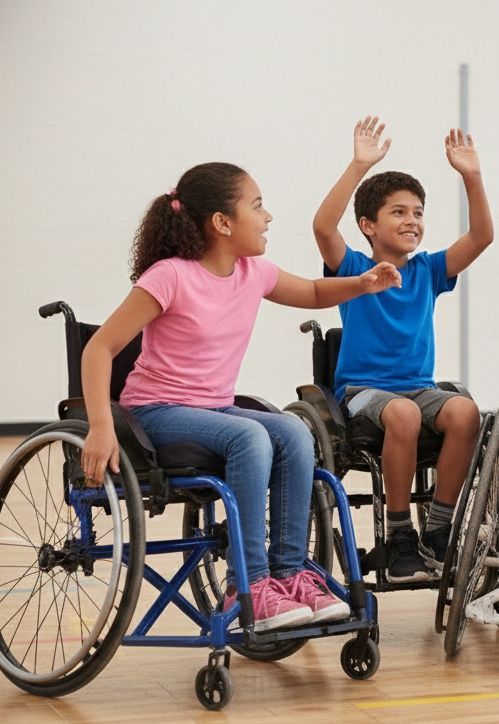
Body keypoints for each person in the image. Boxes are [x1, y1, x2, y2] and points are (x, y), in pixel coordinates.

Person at [79, 162, 401, 631]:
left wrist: (363, 282)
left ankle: (290, 574)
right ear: (222, 223)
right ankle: (247, 581)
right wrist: (101, 427)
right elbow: (99, 348)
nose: (268, 216)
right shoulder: (170, 276)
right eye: (257, 205)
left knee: (293, 429)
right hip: (158, 411)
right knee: (249, 437)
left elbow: (312, 291)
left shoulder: (254, 272)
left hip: (214, 409)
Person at [312, 117, 493, 582]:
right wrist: (358, 165)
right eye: (399, 212)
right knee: (405, 416)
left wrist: (471, 175)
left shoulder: (427, 272)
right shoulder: (353, 267)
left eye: (417, 212)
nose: (412, 220)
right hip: (364, 392)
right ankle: (398, 536)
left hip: (419, 388)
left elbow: (482, 237)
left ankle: (438, 528)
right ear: (368, 225)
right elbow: (322, 226)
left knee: (467, 413)